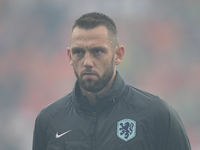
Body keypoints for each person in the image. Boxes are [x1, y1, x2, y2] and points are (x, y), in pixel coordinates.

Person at [32, 12, 191, 150]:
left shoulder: (157, 114)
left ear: (118, 55)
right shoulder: (49, 120)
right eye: (79, 52)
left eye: (97, 51)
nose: (87, 61)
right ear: (69, 57)